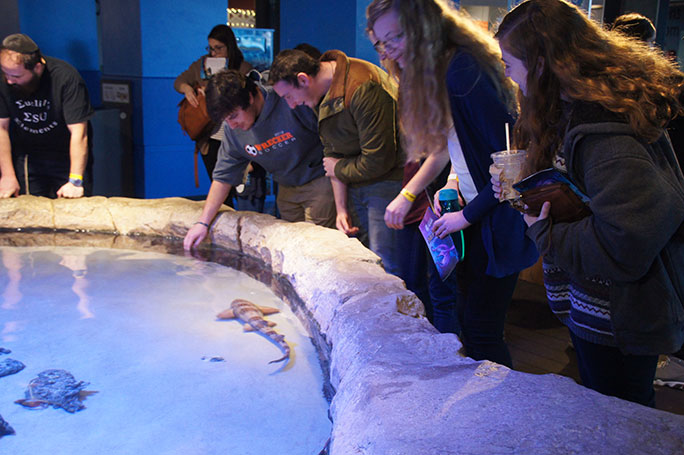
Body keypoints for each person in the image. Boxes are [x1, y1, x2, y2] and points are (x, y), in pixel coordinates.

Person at [494, 0, 684, 406]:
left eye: (510, 61)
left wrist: (542, 230)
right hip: (593, 305)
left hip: (620, 316)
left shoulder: (606, 134)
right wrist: (524, 198)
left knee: (623, 414)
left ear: (542, 62)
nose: (506, 72)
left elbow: (626, 241)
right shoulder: (569, 112)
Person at [368, 0, 538, 367]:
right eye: (381, 42)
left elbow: (511, 163)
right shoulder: (446, 68)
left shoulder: (462, 70)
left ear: (426, 26)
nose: (390, 49)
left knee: (481, 330)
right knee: (468, 319)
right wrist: (454, 183)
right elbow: (462, 144)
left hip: (498, 219)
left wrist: (467, 217)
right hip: (480, 212)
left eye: (396, 36)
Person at [269, 48, 405, 276]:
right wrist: (341, 209)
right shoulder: (319, 96)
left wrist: (337, 169)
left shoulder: (362, 85)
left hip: (389, 182)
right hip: (356, 182)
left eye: (289, 97)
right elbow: (332, 151)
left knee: (388, 264)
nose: (291, 105)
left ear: (303, 79)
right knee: (361, 258)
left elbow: (378, 160)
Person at [366, 25, 460, 334]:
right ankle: (427, 351)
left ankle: (448, 358)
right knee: (415, 282)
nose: (385, 53)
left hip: (439, 196)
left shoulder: (436, 79)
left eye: (389, 43)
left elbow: (443, 148)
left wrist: (408, 195)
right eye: (379, 46)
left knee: (443, 289)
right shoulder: (404, 81)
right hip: (418, 195)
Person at [183, 70, 336, 250]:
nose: (232, 125)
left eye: (233, 116)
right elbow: (223, 176)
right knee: (293, 247)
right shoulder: (233, 130)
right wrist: (203, 224)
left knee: (316, 247)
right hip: (286, 186)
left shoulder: (288, 100)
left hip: (320, 179)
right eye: (226, 120)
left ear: (250, 97)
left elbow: (334, 139)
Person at [0, 33, 93, 199]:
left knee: (71, 211)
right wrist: (7, 176)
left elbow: (79, 133)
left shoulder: (66, 78)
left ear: (37, 67)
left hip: (67, 154)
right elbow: (1, 128)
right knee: (28, 213)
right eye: (5, 74)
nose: (9, 81)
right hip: (29, 156)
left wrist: (75, 181)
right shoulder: (5, 80)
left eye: (16, 76)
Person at [174, 24, 257, 208]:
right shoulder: (202, 65)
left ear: (230, 47)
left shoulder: (243, 68)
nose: (214, 53)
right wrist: (189, 89)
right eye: (211, 48)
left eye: (219, 48)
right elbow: (179, 81)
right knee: (219, 183)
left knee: (241, 185)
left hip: (237, 136)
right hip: (211, 136)